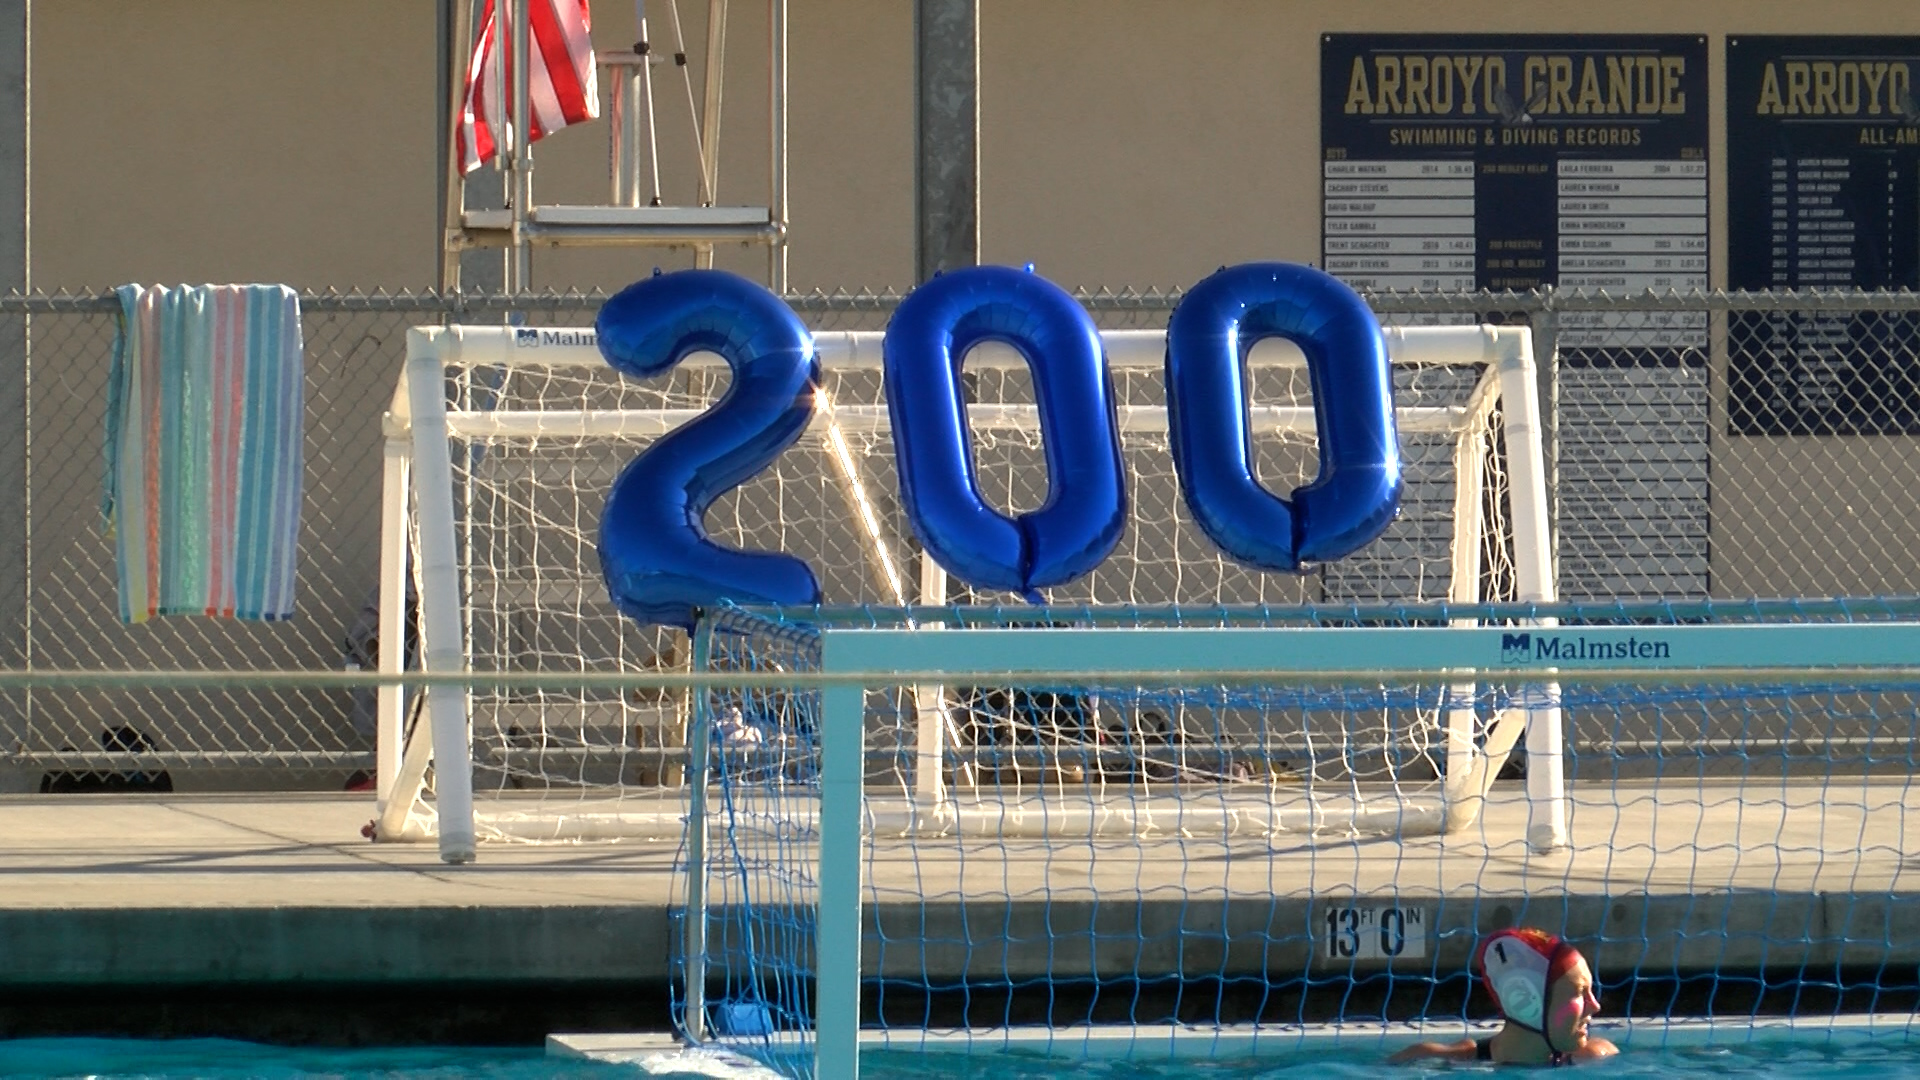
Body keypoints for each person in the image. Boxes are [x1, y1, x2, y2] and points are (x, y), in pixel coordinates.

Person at [1389, 928, 1618, 1066]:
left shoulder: (1599, 1056)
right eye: (1578, 993)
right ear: (1526, 999)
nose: (1595, 1006)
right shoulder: (1432, 1060)